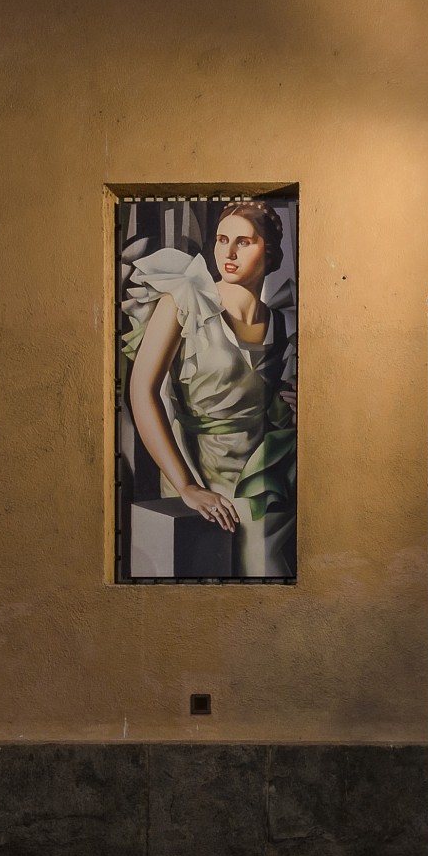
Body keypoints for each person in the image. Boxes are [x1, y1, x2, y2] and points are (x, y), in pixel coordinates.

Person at [121, 201, 297, 575]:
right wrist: (186, 485)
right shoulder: (184, 301)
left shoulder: (282, 322)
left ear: (269, 249)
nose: (228, 253)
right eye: (221, 240)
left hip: (264, 482)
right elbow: (142, 392)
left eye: (244, 242)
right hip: (197, 477)